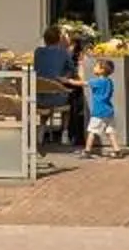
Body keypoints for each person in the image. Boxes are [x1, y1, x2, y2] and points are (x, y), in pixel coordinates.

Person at [32, 24, 80, 152]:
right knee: (68, 101)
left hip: (39, 97)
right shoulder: (63, 52)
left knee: (47, 94)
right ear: (59, 38)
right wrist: (65, 76)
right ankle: (65, 133)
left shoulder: (38, 52)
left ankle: (41, 129)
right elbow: (74, 71)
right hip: (58, 97)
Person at [82, 59, 121, 157]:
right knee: (110, 131)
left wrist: (68, 81)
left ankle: (87, 151)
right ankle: (117, 150)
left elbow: (82, 83)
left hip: (98, 112)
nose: (94, 68)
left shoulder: (97, 82)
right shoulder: (109, 81)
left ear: (102, 70)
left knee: (92, 131)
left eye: (96, 66)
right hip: (108, 110)